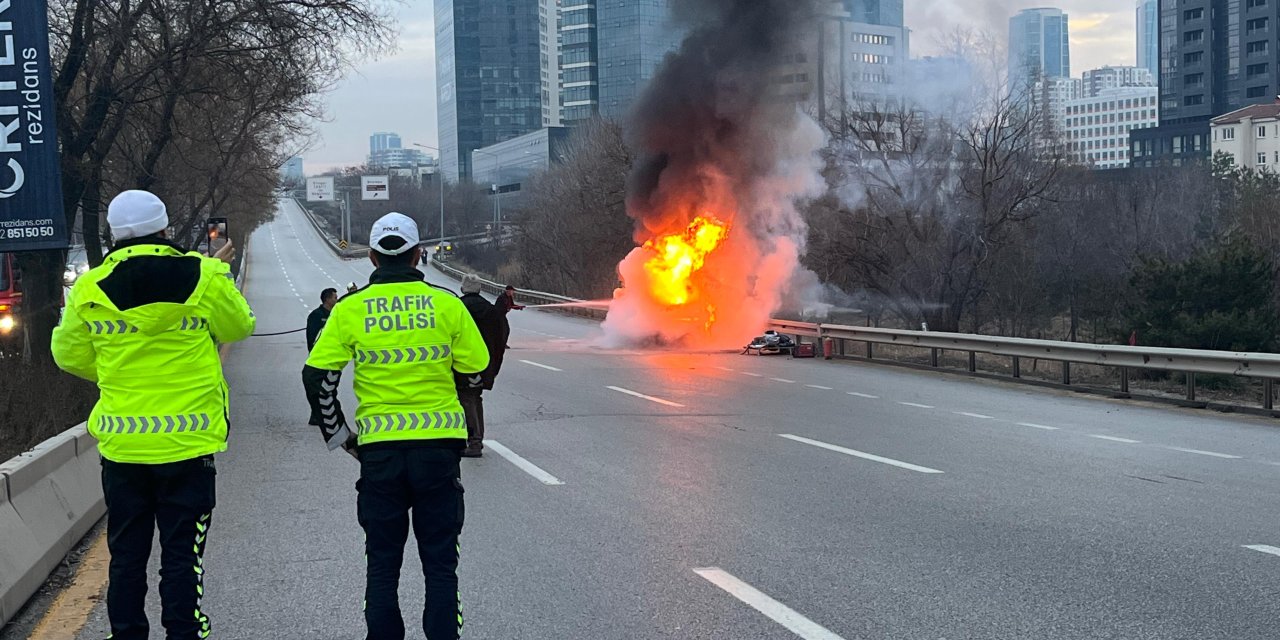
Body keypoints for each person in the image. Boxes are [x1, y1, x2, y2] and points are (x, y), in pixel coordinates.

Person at [51, 190, 255, 640]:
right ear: (165, 228)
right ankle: (184, 631)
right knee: (182, 555)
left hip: (124, 449)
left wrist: (115, 372)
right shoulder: (203, 275)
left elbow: (68, 355)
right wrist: (218, 271)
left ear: (113, 235)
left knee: (126, 555)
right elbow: (240, 325)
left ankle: (126, 633)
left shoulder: (89, 287)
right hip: (189, 446)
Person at [302, 212, 489, 640]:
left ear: (371, 257)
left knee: (382, 564)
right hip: (438, 452)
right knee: (440, 564)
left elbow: (316, 378)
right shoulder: (446, 304)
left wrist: (340, 436)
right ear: (418, 255)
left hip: (380, 454)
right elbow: (476, 367)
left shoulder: (350, 309)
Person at [456, 274, 506, 458]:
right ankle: (476, 439)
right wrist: (493, 365)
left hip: (464, 363)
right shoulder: (491, 310)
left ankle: (474, 442)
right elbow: (502, 336)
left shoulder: (459, 308)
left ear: (463, 288)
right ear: (479, 289)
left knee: (466, 400)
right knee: (475, 399)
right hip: (485, 363)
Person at [307, 288, 338, 352]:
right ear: (327, 299)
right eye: (335, 298)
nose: (337, 300)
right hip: (320, 352)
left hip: (334, 350)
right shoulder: (315, 315)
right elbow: (311, 338)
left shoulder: (336, 314)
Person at [497, 285, 524, 349]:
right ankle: (501, 344)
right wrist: (506, 308)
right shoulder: (502, 297)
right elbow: (498, 308)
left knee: (506, 330)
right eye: (512, 291)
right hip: (498, 316)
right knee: (504, 330)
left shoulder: (509, 297)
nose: (513, 292)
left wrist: (519, 307)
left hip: (503, 315)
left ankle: (503, 343)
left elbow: (512, 305)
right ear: (508, 291)